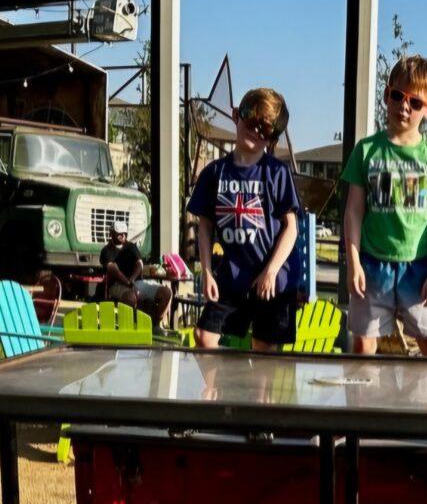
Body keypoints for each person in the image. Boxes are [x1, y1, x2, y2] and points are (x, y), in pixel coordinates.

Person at [341, 54, 427, 357]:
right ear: (386, 95)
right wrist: (353, 263)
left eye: (415, 102)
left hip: (419, 268)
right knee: (363, 344)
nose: (404, 106)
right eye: (397, 96)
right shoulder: (366, 151)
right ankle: (364, 391)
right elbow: (353, 212)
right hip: (372, 266)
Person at [187, 87, 303, 350]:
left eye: (266, 128)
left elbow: (291, 228)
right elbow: (205, 225)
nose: (256, 131)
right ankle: (224, 378)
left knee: (264, 347)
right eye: (250, 120)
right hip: (233, 275)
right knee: (204, 336)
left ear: (273, 137)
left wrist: (271, 271)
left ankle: (252, 380)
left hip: (273, 277)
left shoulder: (277, 173)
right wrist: (207, 271)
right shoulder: (214, 173)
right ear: (236, 115)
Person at [98, 221, 172, 324]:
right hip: (116, 284)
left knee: (166, 292)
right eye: (119, 233)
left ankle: (155, 324)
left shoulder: (131, 247)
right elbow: (112, 269)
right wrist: (127, 282)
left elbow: (139, 264)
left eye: (124, 233)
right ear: (111, 234)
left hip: (135, 282)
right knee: (130, 297)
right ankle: (131, 324)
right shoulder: (107, 251)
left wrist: (132, 279)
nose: (123, 236)